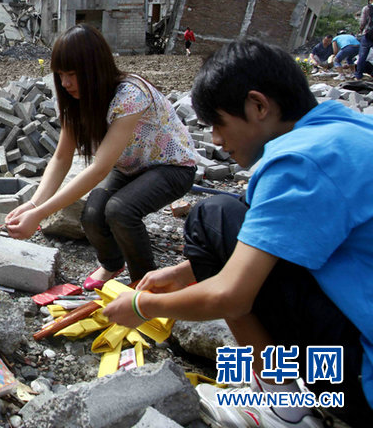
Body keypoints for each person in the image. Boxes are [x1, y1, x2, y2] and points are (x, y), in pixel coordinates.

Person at [102, 39, 373, 428]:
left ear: (258, 106)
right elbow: (280, 236)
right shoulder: (345, 128)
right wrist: (180, 275)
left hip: (362, 385)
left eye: (219, 123)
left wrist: (141, 308)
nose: (215, 140)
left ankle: (281, 401)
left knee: (211, 215)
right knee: (229, 219)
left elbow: (232, 294)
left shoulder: (297, 162)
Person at [5, 24, 198, 289]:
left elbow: (100, 168)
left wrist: (39, 215)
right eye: (60, 74)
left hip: (171, 166)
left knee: (120, 210)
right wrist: (33, 204)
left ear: (95, 68)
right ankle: (112, 263)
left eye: (72, 74)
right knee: (93, 213)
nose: (65, 83)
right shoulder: (74, 101)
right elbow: (62, 158)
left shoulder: (130, 95)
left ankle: (145, 285)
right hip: (131, 166)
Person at [353, 0, 373, 81]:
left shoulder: (367, 8)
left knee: (362, 55)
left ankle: (358, 75)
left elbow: (363, 22)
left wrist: (361, 30)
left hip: (367, 34)